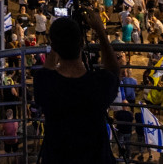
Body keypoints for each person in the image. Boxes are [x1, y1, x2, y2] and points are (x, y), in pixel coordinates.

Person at [32, 9, 120, 163]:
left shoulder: (44, 82)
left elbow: (48, 69)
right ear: (81, 43)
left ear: (54, 46)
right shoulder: (98, 83)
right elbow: (113, 70)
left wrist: (57, 41)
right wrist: (100, 31)